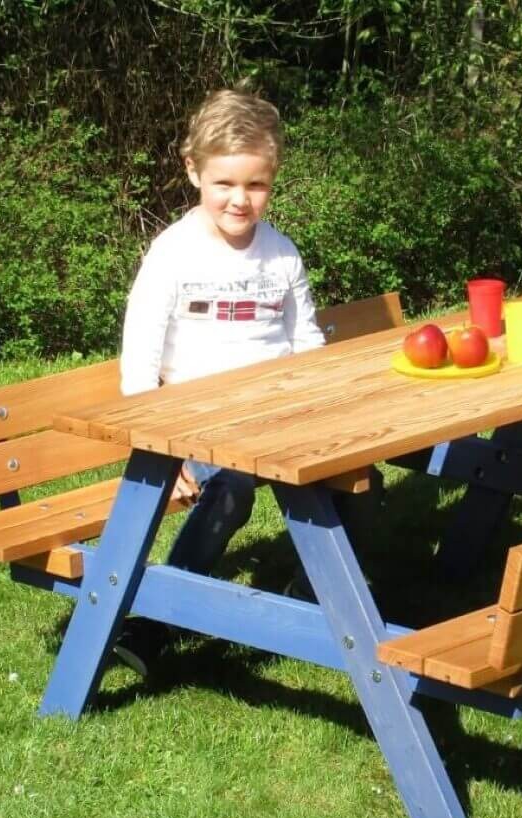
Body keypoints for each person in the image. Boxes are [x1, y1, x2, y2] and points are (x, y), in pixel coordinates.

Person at [111, 89, 358, 678]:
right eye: (224, 183)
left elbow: (306, 349)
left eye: (256, 185)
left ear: (272, 180)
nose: (240, 200)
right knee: (231, 491)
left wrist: (327, 419)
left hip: (277, 415)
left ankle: (317, 597)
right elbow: (140, 362)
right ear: (193, 170)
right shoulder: (173, 253)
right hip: (198, 425)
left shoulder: (281, 255)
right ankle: (153, 625)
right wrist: (161, 454)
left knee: (355, 473)